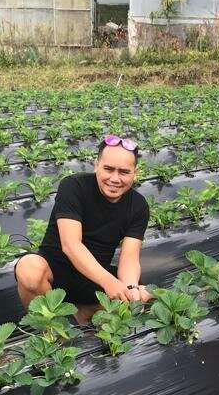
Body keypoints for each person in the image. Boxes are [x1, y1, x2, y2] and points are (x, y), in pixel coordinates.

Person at [15, 135, 152, 324]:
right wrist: (109, 282)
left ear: (135, 172)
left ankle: (84, 312)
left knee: (138, 300)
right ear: (96, 164)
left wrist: (130, 287)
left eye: (124, 172)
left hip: (93, 281)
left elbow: (129, 258)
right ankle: (57, 328)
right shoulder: (74, 187)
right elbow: (71, 245)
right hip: (56, 274)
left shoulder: (138, 206)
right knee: (29, 269)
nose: (115, 178)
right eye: (108, 169)